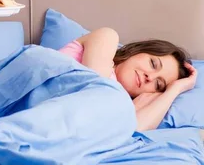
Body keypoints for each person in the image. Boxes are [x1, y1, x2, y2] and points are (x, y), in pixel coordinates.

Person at [58, 27, 197, 131]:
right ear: (138, 50)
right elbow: (95, 90)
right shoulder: (107, 37)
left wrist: (174, 90)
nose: (150, 77)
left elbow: (136, 129)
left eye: (158, 84)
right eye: (153, 64)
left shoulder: (121, 103)